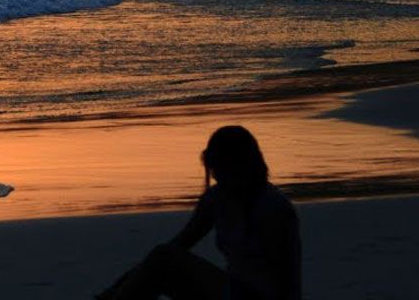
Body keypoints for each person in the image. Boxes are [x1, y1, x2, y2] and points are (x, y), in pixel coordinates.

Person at [96, 126, 301, 300]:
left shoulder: (274, 207)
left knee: (165, 256)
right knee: (163, 264)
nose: (216, 176)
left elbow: (288, 275)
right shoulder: (217, 198)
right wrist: (118, 286)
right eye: (213, 169)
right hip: (230, 289)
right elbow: (180, 244)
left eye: (220, 168)